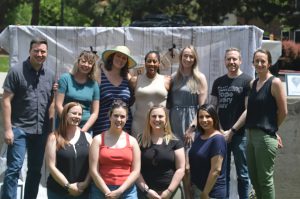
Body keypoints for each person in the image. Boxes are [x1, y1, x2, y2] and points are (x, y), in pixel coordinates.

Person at [1, 38, 55, 199]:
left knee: (35, 170)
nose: (39, 54)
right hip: (19, 128)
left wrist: (51, 130)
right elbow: (5, 100)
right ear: (30, 52)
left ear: (47, 53)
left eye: (43, 51)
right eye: (36, 51)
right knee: (14, 169)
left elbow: (52, 102)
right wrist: (8, 129)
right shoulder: (17, 71)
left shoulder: (51, 75)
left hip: (41, 131)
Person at [244, 49, 287, 199]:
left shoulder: (275, 82)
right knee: (254, 180)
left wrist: (272, 130)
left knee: (265, 181)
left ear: (269, 63)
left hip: (264, 138)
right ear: (253, 63)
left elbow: (283, 112)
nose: (260, 64)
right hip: (249, 137)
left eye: (263, 61)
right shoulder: (253, 83)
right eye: (257, 61)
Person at [210, 48, 251, 199]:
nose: (231, 62)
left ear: (240, 61)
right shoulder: (218, 82)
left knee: (243, 174)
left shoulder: (247, 81)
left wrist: (232, 131)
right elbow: (213, 108)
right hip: (221, 135)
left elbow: (249, 110)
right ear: (225, 61)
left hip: (240, 134)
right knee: (222, 173)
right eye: (229, 59)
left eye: (234, 59)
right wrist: (220, 130)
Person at [168, 45, 208, 198]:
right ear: (181, 57)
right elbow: (168, 102)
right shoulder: (173, 77)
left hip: (192, 122)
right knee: (177, 164)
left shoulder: (199, 77)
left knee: (188, 167)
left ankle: (191, 195)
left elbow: (201, 106)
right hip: (174, 121)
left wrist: (192, 128)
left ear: (195, 59)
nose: (188, 59)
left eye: (191, 56)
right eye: (185, 56)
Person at [89, 99, 141, 199]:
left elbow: (136, 171)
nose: (119, 119)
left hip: (127, 191)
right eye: (116, 115)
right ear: (110, 116)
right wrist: (107, 192)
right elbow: (93, 170)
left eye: (122, 116)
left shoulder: (133, 141)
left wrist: (119, 191)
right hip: (101, 190)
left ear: (126, 119)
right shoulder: (98, 140)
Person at [45, 102, 92, 199]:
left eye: (80, 114)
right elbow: (51, 166)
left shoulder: (88, 137)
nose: (77, 116)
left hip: (83, 192)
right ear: (65, 114)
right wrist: (68, 186)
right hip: (58, 192)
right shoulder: (53, 138)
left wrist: (85, 183)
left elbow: (93, 165)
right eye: (74, 113)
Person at [137, 105, 185, 199]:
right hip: (145, 193)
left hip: (171, 193)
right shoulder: (140, 140)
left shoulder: (175, 141)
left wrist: (168, 192)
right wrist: (147, 191)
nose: (157, 119)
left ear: (166, 119)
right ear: (149, 119)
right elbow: (135, 169)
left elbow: (181, 169)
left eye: (160, 116)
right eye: (154, 116)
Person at [92, 46, 137, 136]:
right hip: (103, 127)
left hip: (124, 127)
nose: (121, 59)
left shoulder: (127, 77)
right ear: (112, 56)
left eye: (124, 58)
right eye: (118, 56)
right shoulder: (99, 73)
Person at [55, 50, 100, 133]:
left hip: (84, 128)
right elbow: (58, 105)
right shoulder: (65, 79)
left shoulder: (94, 84)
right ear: (78, 62)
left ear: (93, 66)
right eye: (83, 61)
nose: (86, 65)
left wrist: (83, 131)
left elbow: (95, 113)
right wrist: (70, 125)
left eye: (90, 63)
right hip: (64, 126)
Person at [189, 104, 227, 199]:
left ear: (214, 117)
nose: (204, 120)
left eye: (208, 116)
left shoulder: (218, 139)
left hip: (211, 193)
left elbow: (216, 170)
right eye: (201, 117)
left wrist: (205, 193)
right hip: (197, 189)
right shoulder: (199, 136)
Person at [130, 51, 170, 138]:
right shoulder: (135, 81)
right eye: (149, 61)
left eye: (155, 61)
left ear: (159, 64)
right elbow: (129, 101)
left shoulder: (167, 81)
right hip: (139, 126)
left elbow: (171, 104)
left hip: (159, 126)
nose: (152, 64)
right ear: (145, 63)